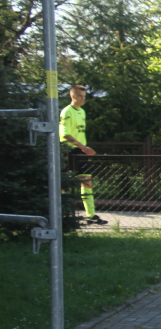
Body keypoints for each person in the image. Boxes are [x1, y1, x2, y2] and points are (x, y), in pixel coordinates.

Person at [60, 84, 107, 225]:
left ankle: (90, 215)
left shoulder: (82, 112)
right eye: (80, 96)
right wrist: (83, 147)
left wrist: (83, 149)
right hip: (68, 151)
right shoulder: (67, 112)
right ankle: (63, 214)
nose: (82, 99)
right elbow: (65, 134)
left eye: (84, 97)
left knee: (87, 182)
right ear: (72, 96)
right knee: (65, 184)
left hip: (81, 152)